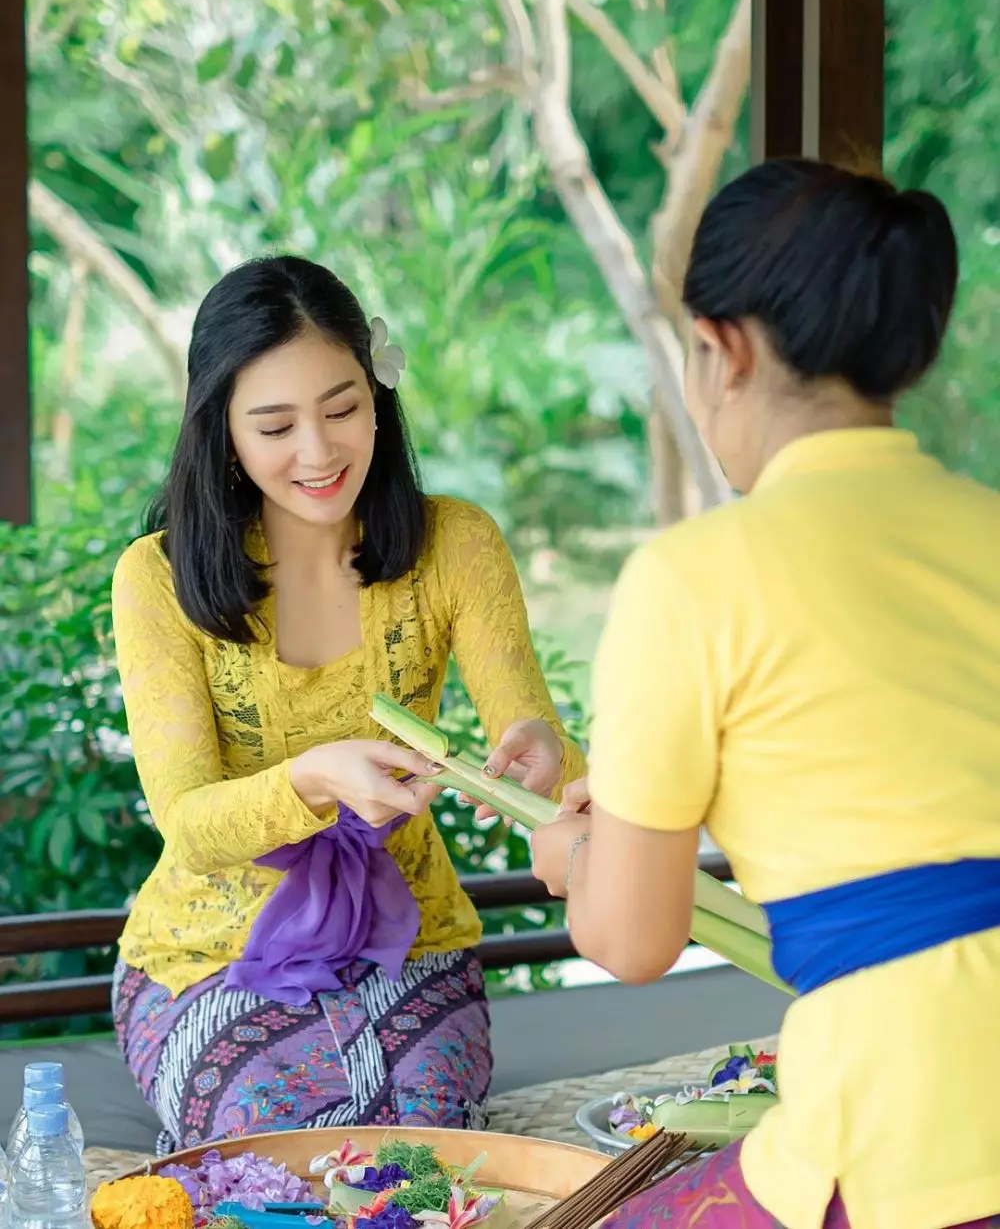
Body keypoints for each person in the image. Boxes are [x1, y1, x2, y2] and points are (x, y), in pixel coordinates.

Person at [530, 160, 1000, 1229]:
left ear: (723, 349)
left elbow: (635, 938)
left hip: (912, 1119)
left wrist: (573, 858)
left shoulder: (691, 578)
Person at [111, 255, 584, 1156]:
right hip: (209, 954)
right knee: (272, 1149)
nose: (320, 452)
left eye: (341, 409)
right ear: (222, 431)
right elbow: (189, 822)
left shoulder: (457, 542)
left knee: (423, 1146)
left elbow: (535, 735)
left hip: (415, 944)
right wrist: (315, 777)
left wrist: (542, 754)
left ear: (379, 396)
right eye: (276, 425)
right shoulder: (157, 578)